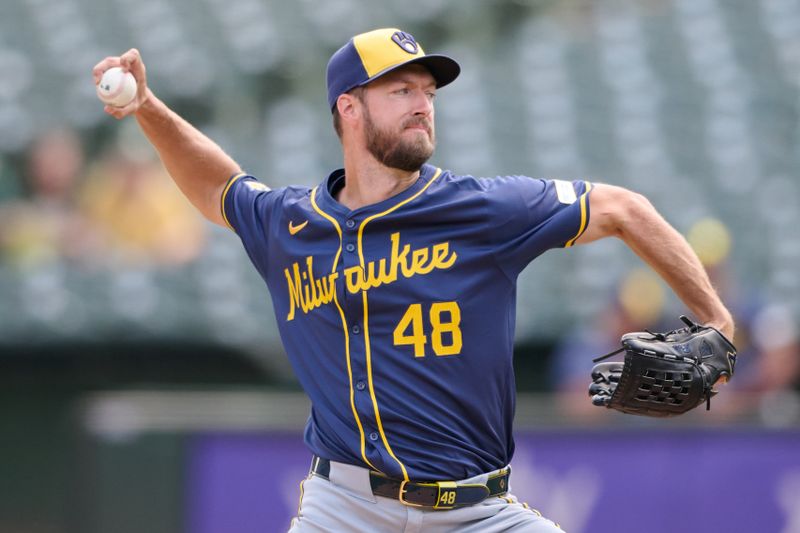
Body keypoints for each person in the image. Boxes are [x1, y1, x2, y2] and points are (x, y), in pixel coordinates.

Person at [93, 28, 734, 532]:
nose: (423, 105)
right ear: (349, 107)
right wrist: (147, 108)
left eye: (427, 91)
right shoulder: (290, 224)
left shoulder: (482, 209)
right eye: (400, 91)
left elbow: (626, 209)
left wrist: (719, 322)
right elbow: (220, 187)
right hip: (343, 509)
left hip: (479, 511)